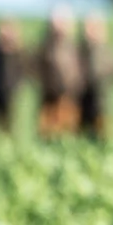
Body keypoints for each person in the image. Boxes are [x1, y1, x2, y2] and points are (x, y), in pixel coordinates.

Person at [33, 8, 83, 138]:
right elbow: (34, 71)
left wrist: (76, 87)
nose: (60, 26)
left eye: (63, 22)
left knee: (68, 136)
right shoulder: (44, 47)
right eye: (57, 22)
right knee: (47, 136)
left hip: (69, 99)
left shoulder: (75, 47)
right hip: (48, 100)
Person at [77, 13, 113, 142]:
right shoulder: (80, 50)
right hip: (80, 103)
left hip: (101, 104)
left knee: (102, 137)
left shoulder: (106, 51)